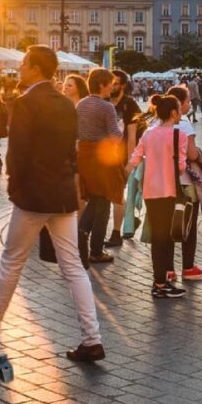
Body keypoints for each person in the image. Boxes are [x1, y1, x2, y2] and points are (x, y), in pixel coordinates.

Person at [0, 46, 105, 362]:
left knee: (12, 259)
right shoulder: (66, 103)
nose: (20, 69)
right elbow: (70, 150)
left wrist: (13, 186)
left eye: (24, 64)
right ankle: (92, 339)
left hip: (34, 195)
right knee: (74, 266)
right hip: (61, 193)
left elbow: (17, 152)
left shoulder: (25, 103)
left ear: (36, 69)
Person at [126, 95, 189, 298]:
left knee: (158, 236)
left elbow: (136, 157)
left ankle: (161, 280)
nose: (181, 113)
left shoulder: (149, 133)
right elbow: (180, 167)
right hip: (169, 190)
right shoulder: (179, 135)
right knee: (166, 236)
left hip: (150, 191)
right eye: (179, 109)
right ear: (173, 112)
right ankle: (161, 283)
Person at [76, 68, 124, 264]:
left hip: (84, 154)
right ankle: (96, 250)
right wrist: (120, 129)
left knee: (95, 198)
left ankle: (81, 234)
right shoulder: (106, 107)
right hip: (101, 156)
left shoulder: (81, 104)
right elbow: (114, 136)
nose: (112, 88)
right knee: (104, 199)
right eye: (111, 84)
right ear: (102, 85)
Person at [162, 85, 202, 281]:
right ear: (180, 104)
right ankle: (188, 267)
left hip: (163, 181)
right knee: (187, 224)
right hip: (185, 182)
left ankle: (168, 269)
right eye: (188, 101)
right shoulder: (185, 125)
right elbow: (192, 154)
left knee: (167, 225)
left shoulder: (157, 123)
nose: (189, 104)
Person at [105, 69, 142, 248]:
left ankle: (116, 233)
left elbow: (132, 136)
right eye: (110, 83)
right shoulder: (104, 101)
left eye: (116, 83)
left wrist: (130, 162)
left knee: (116, 194)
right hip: (105, 156)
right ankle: (130, 219)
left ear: (123, 86)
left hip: (122, 156)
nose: (112, 86)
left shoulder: (130, 105)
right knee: (113, 193)